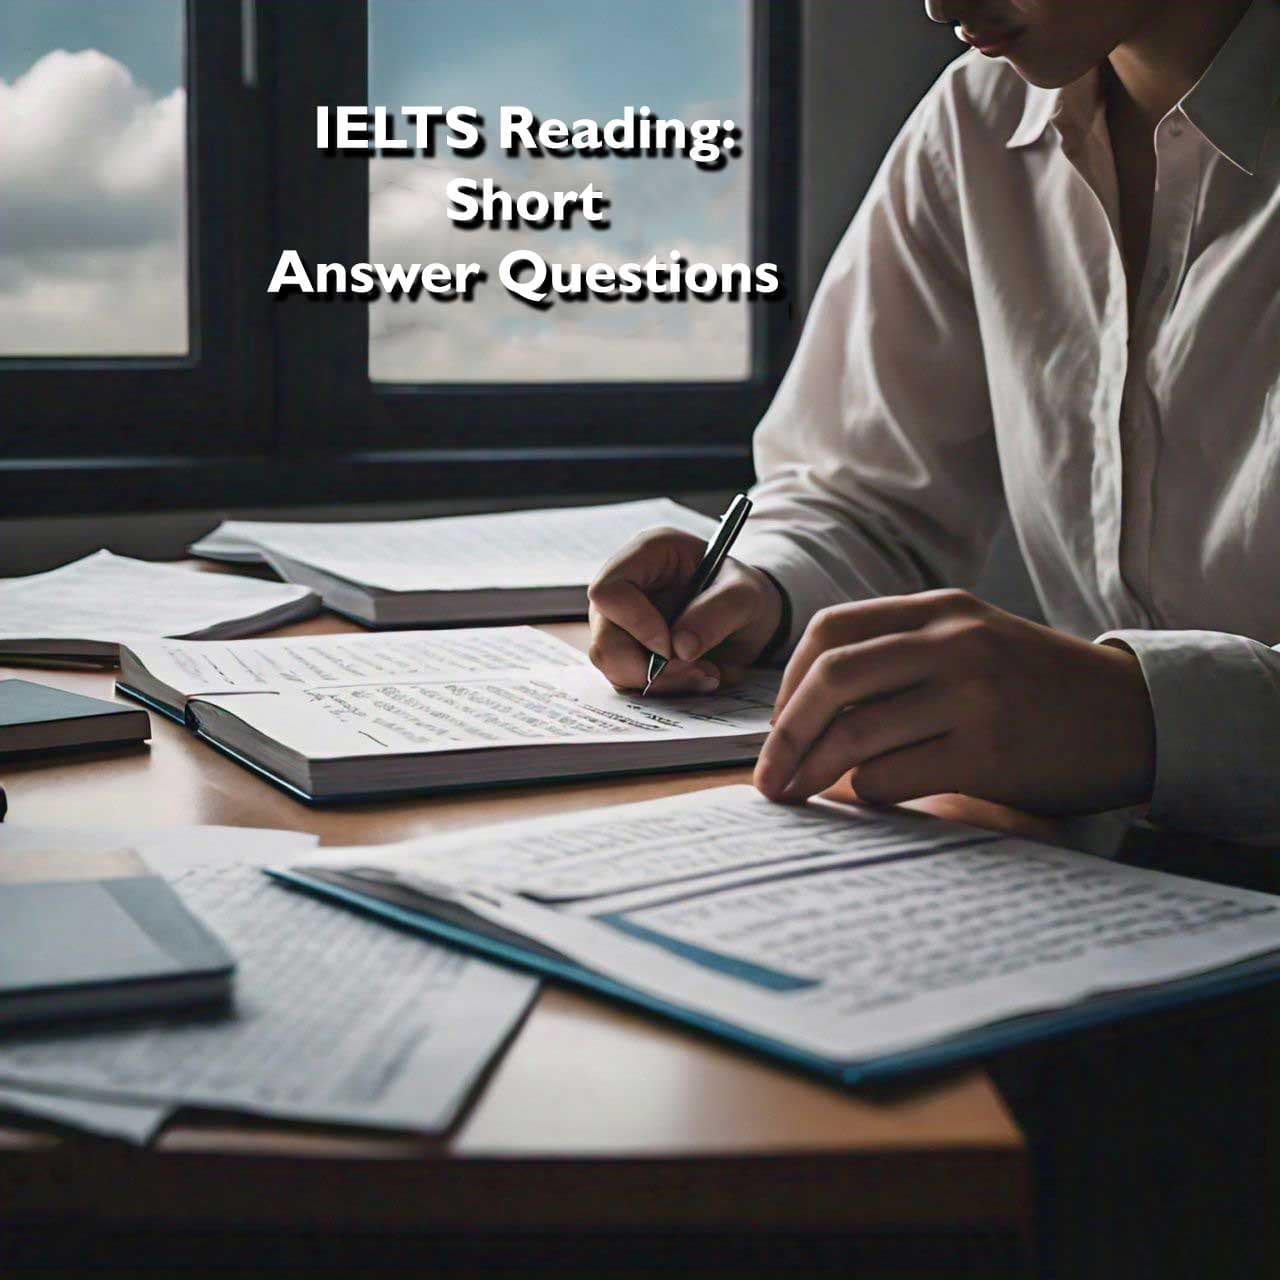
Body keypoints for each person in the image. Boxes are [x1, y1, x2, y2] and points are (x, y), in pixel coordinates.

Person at [588, 0, 1280, 845]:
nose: (939, 4)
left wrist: (1146, 717)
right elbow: (865, 494)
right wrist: (762, 587)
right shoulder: (977, 122)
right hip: (1087, 885)